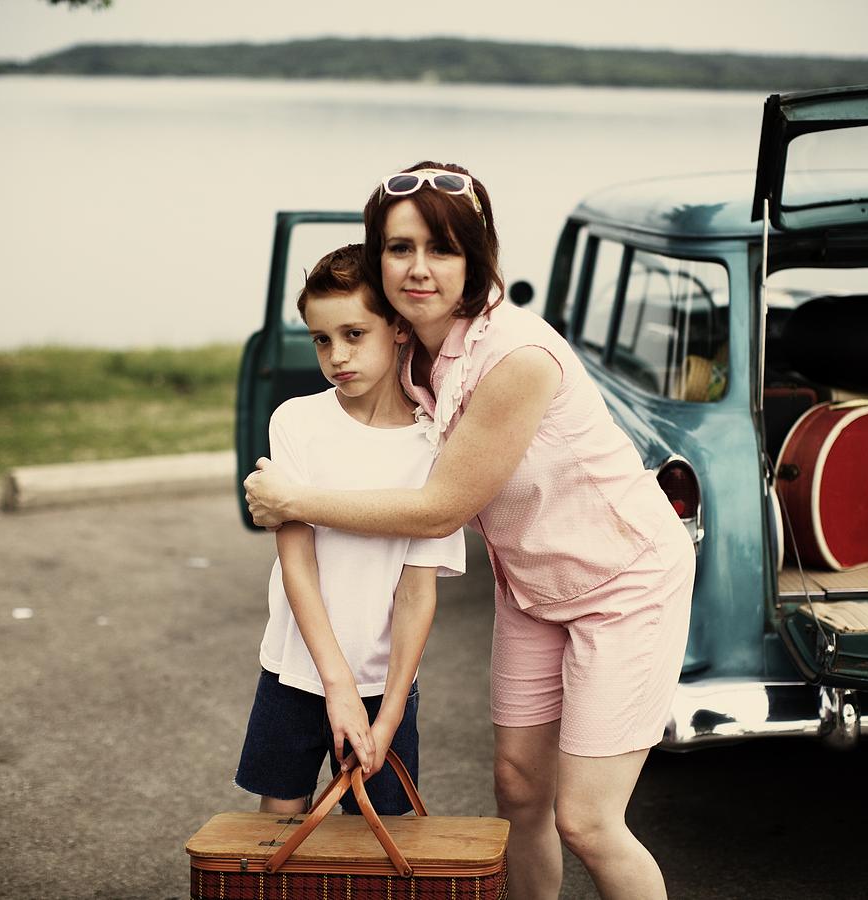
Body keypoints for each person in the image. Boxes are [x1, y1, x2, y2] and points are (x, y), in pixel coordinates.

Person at [244, 163, 694, 900]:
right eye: (398, 247)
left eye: (443, 248)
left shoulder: (515, 356)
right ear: (375, 255)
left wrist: (296, 498)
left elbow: (439, 511)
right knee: (517, 791)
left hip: (625, 581)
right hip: (533, 582)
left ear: (477, 258)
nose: (419, 268)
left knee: (588, 819)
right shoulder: (406, 351)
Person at [234, 243, 465, 818]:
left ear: (399, 328)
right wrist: (335, 686)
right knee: (280, 833)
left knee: (377, 838)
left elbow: (417, 592)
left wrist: (388, 713)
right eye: (321, 339)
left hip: (385, 683)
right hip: (295, 668)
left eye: (354, 334)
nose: (336, 355)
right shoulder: (296, 421)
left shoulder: (432, 441)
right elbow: (298, 563)